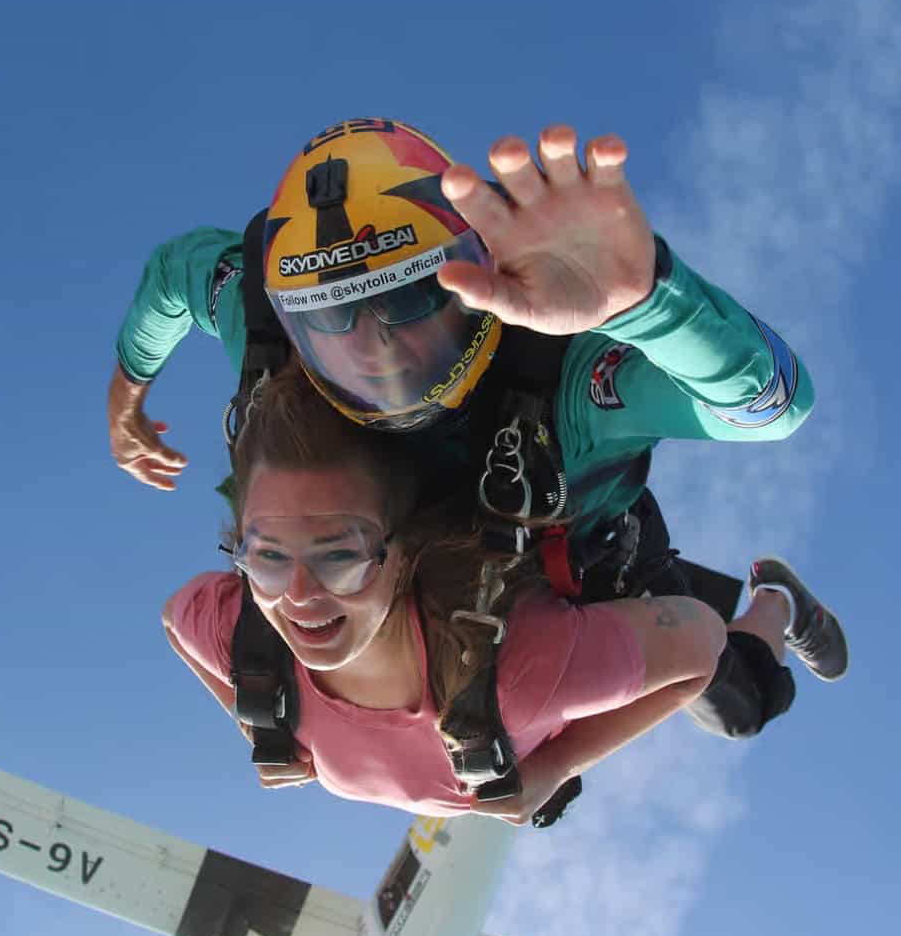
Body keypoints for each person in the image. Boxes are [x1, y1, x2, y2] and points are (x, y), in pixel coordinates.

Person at [115, 118, 845, 742]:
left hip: (574, 559)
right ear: (289, 315)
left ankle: (776, 601)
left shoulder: (566, 383)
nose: (378, 350)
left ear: (478, 277)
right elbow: (177, 275)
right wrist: (128, 396)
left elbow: (772, 406)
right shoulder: (266, 330)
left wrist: (647, 302)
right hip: (417, 581)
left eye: (414, 299)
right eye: (333, 319)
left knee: (735, 703)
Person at [162, 364, 818, 825]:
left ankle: (775, 599)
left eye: (340, 555)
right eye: (268, 556)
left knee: (739, 707)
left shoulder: (519, 676)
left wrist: (560, 764)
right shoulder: (247, 641)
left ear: (403, 554)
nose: (298, 597)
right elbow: (176, 620)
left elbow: (702, 641)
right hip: (532, 595)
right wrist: (260, 719)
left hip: (611, 567)